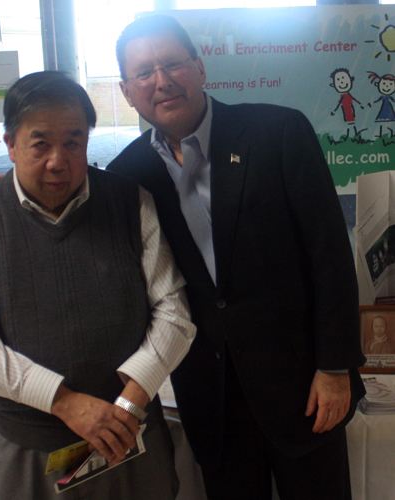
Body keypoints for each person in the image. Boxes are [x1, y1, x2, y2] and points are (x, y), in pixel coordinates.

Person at [106, 14, 366, 500]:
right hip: (212, 397)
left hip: (303, 385)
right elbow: (67, 200)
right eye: (144, 73)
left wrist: (335, 367)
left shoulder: (277, 131)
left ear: (201, 68)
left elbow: (329, 255)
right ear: (127, 90)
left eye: (173, 64)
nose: (161, 81)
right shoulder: (127, 176)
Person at [0, 71, 196, 500]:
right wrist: (64, 401)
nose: (58, 160)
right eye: (40, 144)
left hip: (131, 437)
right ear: (10, 145)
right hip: (29, 449)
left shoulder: (130, 203)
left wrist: (128, 404)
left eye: (73, 141)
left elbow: (174, 312)